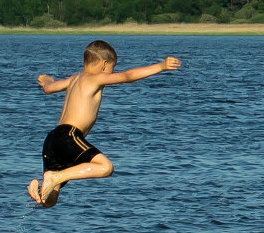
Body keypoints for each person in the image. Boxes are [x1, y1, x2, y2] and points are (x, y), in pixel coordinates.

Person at [27, 40, 182, 207]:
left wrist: (47, 81)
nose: (111, 73)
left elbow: (48, 89)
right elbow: (127, 76)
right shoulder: (96, 78)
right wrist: (161, 66)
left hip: (52, 139)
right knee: (105, 167)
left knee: (49, 200)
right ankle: (54, 177)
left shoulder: (74, 79)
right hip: (69, 135)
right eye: (112, 68)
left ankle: (38, 187)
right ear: (103, 64)